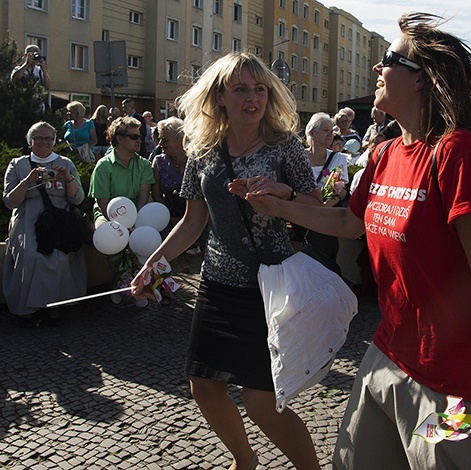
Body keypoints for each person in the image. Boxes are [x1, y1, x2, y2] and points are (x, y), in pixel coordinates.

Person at [235, 13, 471, 469]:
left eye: (389, 60)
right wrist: (279, 207)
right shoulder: (383, 153)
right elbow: (349, 222)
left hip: (451, 378)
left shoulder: (456, 152)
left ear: (421, 80)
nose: (378, 69)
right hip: (387, 353)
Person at [131, 52, 322, 470]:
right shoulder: (201, 149)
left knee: (259, 400)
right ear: (219, 97)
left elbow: (315, 203)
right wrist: (154, 266)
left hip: (267, 285)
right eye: (240, 90)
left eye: (259, 89)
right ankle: (244, 461)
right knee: (203, 385)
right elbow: (192, 221)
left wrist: (282, 195)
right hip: (217, 282)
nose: (252, 98)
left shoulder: (283, 144)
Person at [2, 122, 86, 327]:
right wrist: (28, 181)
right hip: (28, 215)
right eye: (39, 138)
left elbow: (77, 199)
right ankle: (25, 309)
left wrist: (67, 179)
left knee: (59, 256)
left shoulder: (65, 163)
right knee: (29, 254)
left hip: (57, 217)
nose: (43, 142)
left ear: (54, 141)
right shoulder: (18, 164)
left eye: (48, 138)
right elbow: (10, 201)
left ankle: (54, 306)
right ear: (30, 141)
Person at [299, 112, 349, 260]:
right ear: (311, 133)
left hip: (326, 217)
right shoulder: (299, 157)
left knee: (325, 253)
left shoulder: (337, 158)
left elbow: (337, 189)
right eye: (325, 130)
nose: (330, 135)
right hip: (302, 214)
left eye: (332, 131)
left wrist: (320, 211)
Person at [88, 116, 155, 226]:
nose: (139, 140)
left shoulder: (145, 165)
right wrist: (118, 225)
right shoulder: (103, 166)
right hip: (108, 216)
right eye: (134, 137)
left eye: (140, 136)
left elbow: (143, 200)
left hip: (137, 215)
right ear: (119, 139)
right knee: (107, 236)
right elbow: (103, 205)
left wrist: (134, 222)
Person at [151, 117, 188, 235]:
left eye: (164, 139)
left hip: (197, 219)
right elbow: (157, 196)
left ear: (180, 139)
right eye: (159, 139)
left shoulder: (196, 161)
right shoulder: (158, 162)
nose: (160, 144)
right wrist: (171, 219)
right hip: (167, 218)